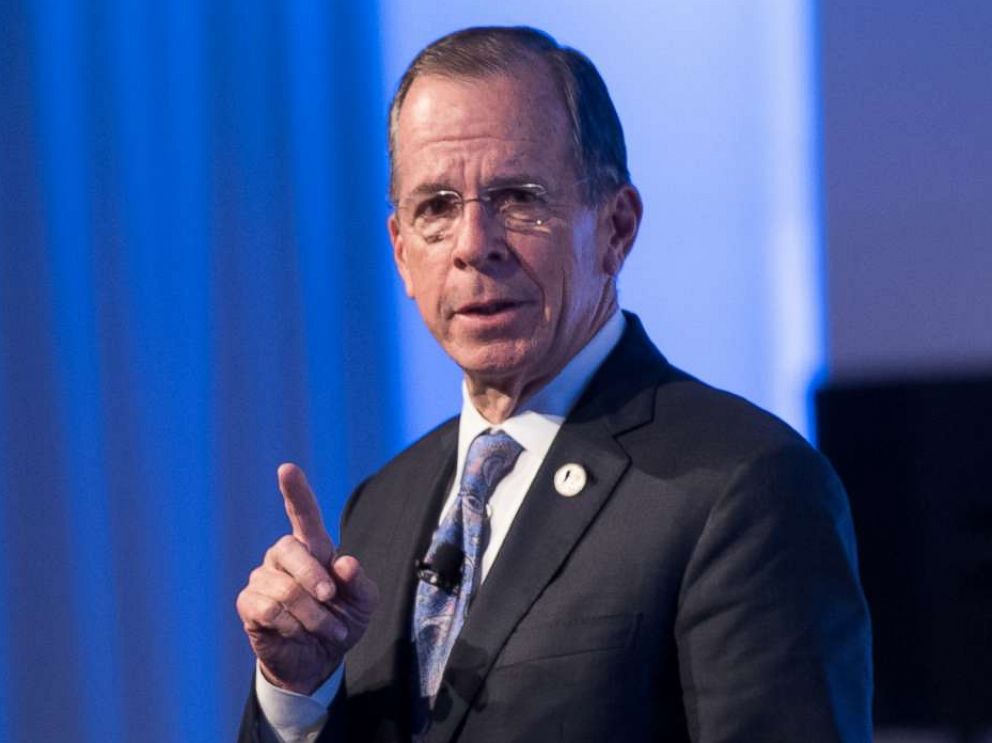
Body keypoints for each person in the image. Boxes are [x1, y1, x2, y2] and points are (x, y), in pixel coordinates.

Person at [236, 26, 872, 743]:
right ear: (402, 252)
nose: (474, 245)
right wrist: (299, 694)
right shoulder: (380, 507)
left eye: (518, 197)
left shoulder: (743, 486)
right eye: (437, 207)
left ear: (616, 227)